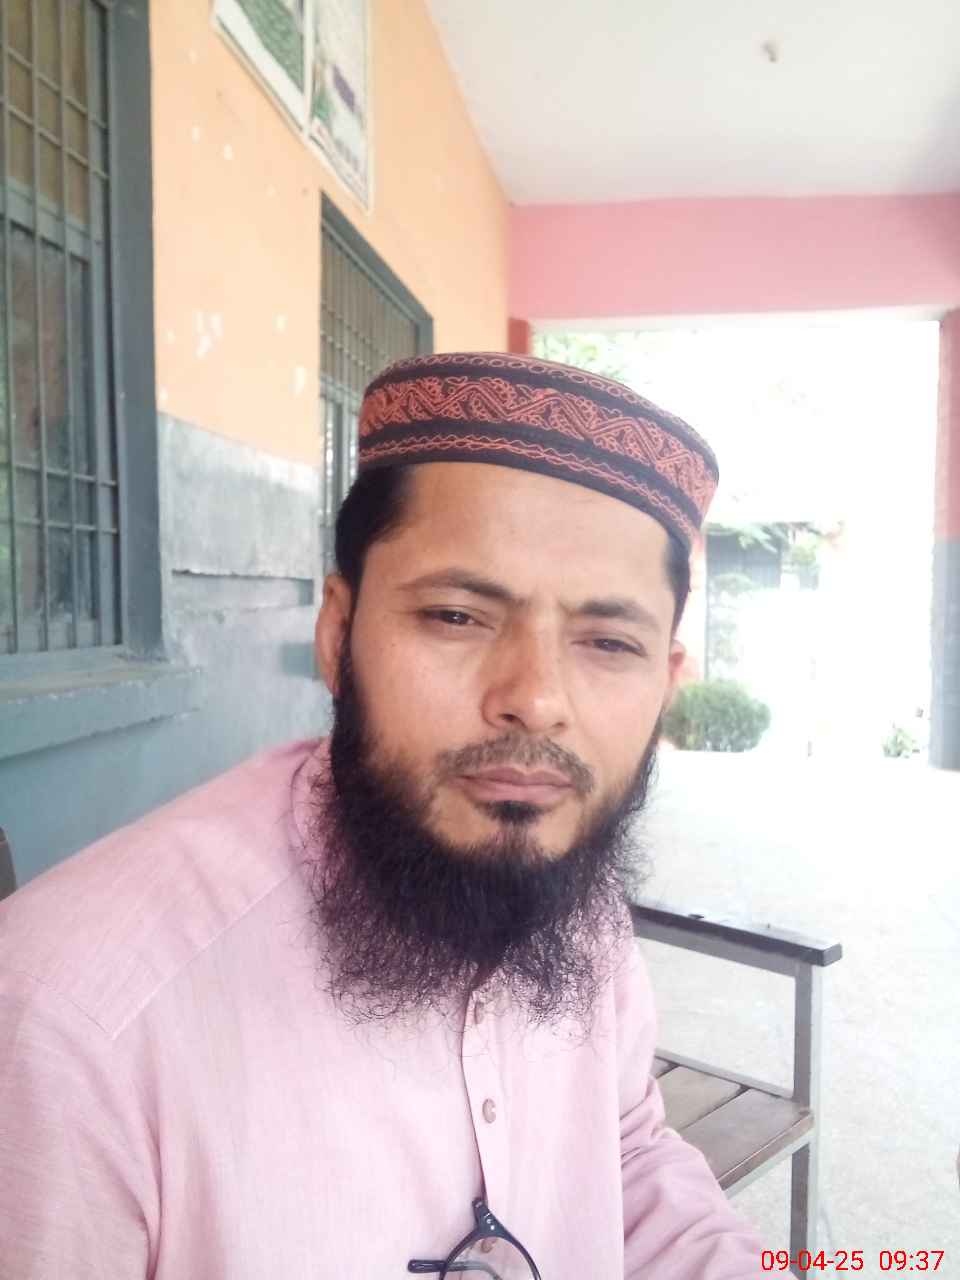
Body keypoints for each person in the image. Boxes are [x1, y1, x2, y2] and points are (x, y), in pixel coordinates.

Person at [0, 352, 765, 1277]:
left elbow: (628, 1152)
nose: (536, 700)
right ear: (338, 632)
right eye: (457, 617)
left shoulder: (570, 886)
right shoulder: (68, 1023)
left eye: (608, 642)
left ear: (667, 681)